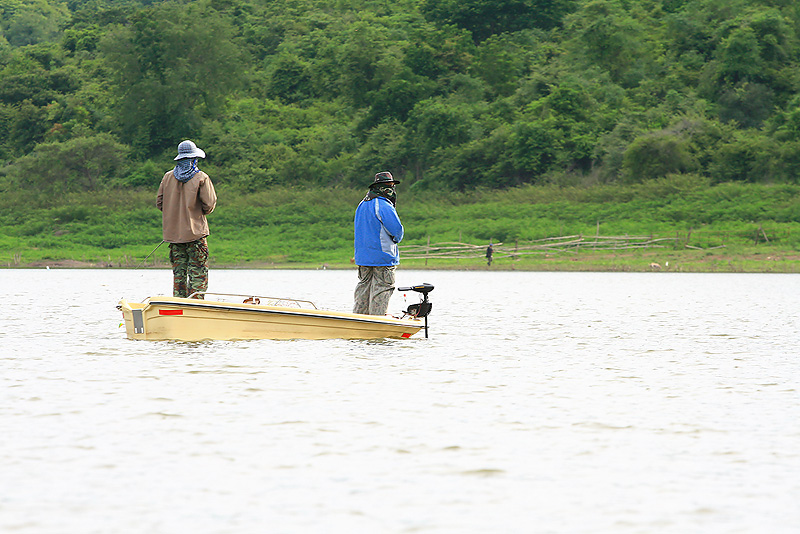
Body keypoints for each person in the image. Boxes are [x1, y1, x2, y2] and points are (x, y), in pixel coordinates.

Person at [156, 140, 217, 299]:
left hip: (174, 237)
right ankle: (195, 307)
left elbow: (159, 203)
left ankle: (179, 306)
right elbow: (209, 205)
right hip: (196, 236)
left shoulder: (167, 177)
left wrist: (174, 213)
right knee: (198, 274)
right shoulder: (201, 177)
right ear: (193, 159)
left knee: (179, 276)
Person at [353, 171, 404, 315]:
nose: (392, 189)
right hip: (383, 256)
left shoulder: (362, 204)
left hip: (363, 258)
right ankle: (377, 321)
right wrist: (396, 240)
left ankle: (359, 321)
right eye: (390, 186)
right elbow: (397, 231)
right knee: (382, 288)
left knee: (363, 289)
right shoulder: (383, 205)